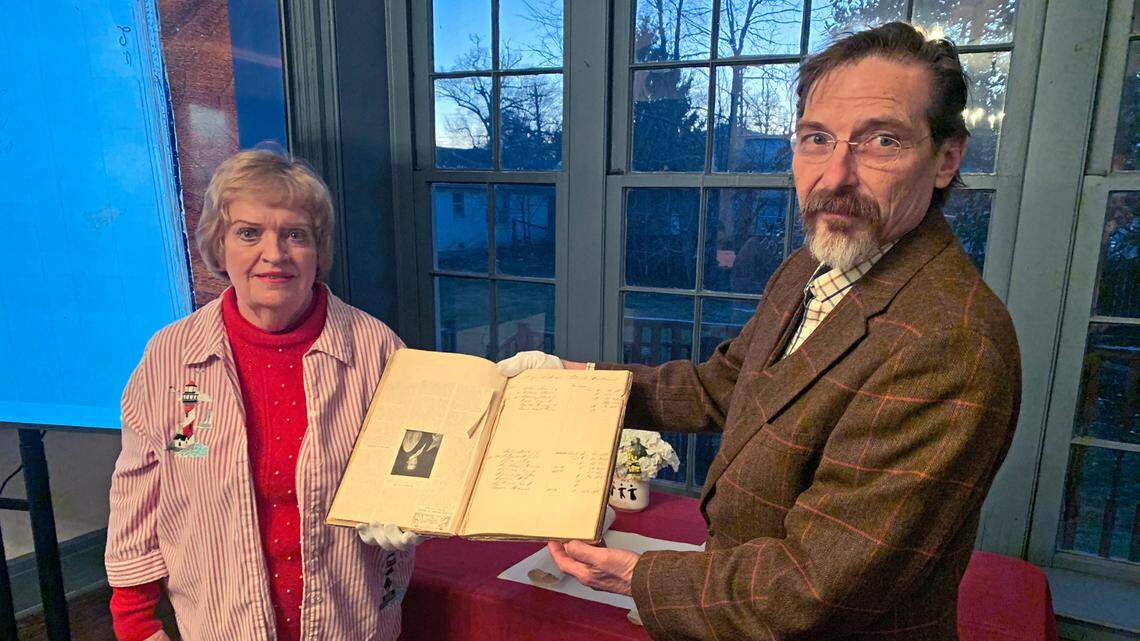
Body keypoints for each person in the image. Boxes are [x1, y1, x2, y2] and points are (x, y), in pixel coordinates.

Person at [497, 23, 1021, 640]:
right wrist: (575, 382)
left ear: (946, 159)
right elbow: (722, 385)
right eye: (816, 139)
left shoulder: (950, 341)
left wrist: (640, 578)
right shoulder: (813, 266)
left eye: (882, 141)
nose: (836, 175)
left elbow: (816, 587)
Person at [105, 149, 423, 641]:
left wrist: (409, 500)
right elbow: (137, 491)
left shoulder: (376, 349)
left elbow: (422, 465)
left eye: (295, 234)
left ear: (318, 249)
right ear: (219, 244)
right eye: (249, 233)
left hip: (350, 621)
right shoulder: (170, 357)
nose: (273, 253)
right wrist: (135, 620)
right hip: (218, 621)